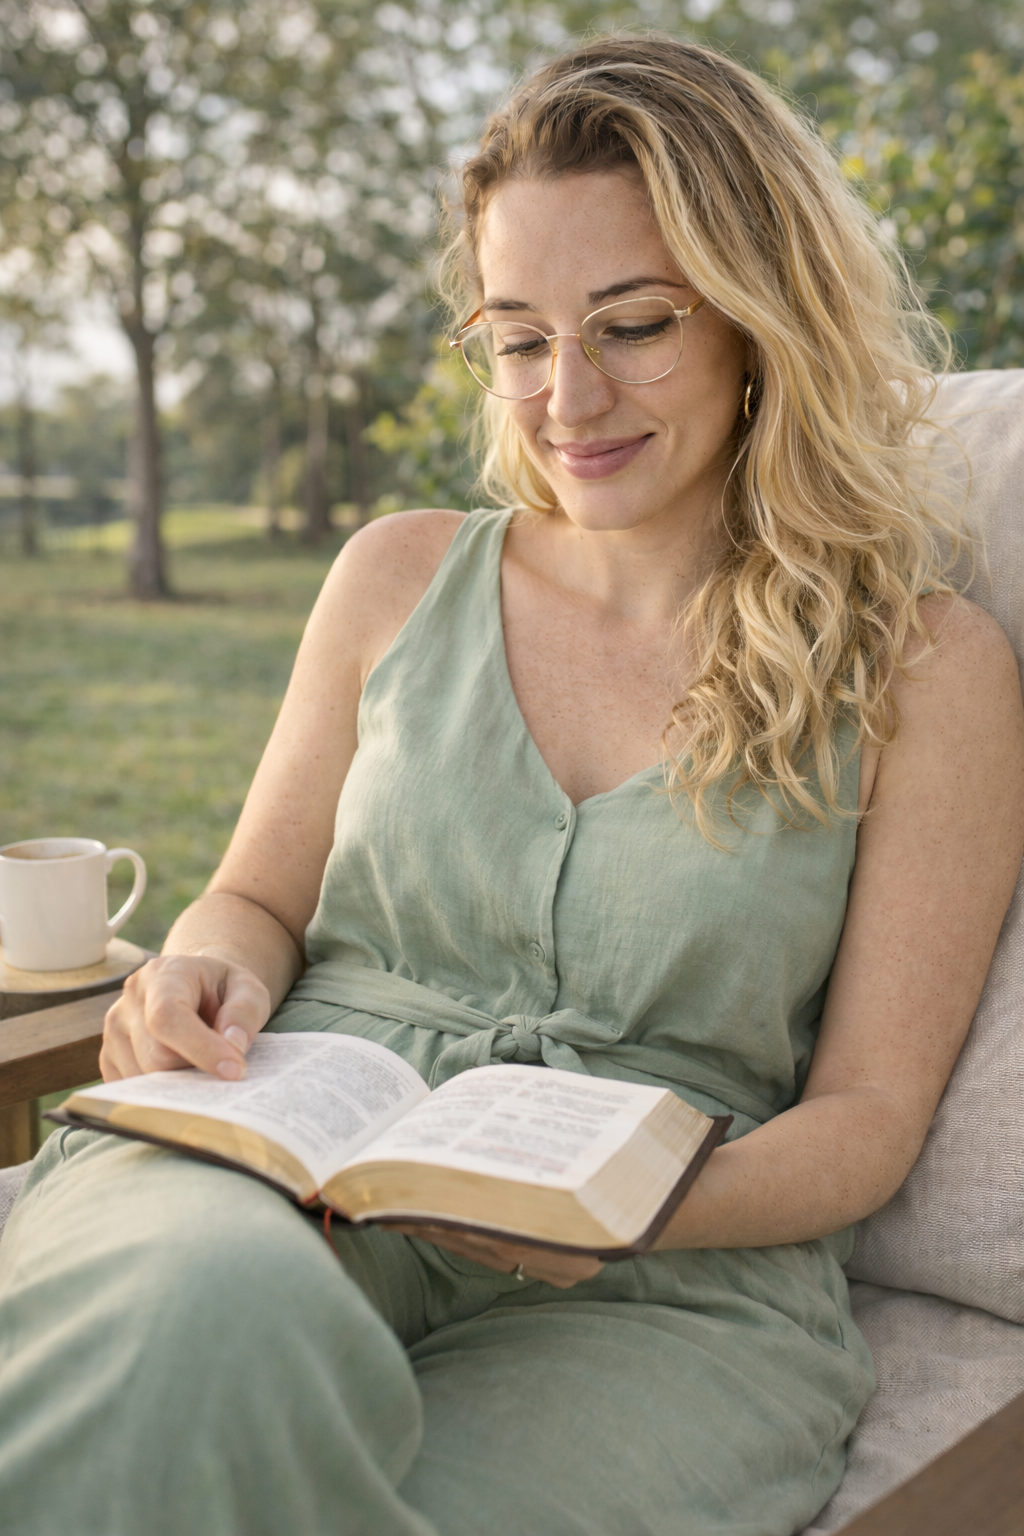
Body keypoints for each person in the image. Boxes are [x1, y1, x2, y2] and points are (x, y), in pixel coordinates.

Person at [1, 34, 1021, 1536]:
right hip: (289, 1157)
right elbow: (256, 896)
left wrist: (629, 1206)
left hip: (663, 1276)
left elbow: (868, 1116)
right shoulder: (393, 576)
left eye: (633, 324)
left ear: (759, 316)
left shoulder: (927, 669)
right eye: (522, 336)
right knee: (192, 1339)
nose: (568, 397)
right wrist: (200, 972)